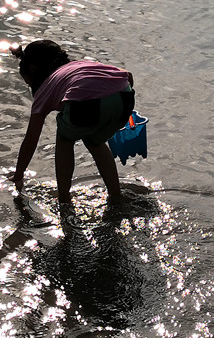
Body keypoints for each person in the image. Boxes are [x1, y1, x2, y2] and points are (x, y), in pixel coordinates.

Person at [7, 40, 134, 212]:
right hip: (124, 96)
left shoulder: (46, 87)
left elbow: (31, 139)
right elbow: (127, 75)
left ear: (33, 71)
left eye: (29, 83)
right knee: (94, 141)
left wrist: (19, 173)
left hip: (87, 105)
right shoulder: (81, 65)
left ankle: (64, 199)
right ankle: (116, 195)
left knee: (65, 138)